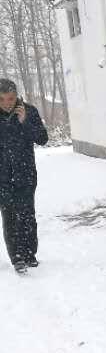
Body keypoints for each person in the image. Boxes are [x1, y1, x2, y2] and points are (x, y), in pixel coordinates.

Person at [0, 78, 49, 273]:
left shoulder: (29, 111)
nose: (7, 103)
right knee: (10, 217)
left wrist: (25, 122)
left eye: (10, 98)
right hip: (2, 177)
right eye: (2, 99)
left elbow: (42, 139)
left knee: (27, 215)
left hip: (25, 174)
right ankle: (17, 258)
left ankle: (29, 254)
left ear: (16, 96)